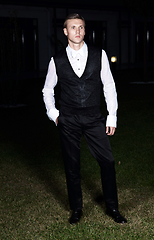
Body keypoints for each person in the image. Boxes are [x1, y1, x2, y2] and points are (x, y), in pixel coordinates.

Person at [42, 13, 127, 225]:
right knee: (72, 166)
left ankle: (113, 207)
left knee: (107, 161)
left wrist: (112, 116)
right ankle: (76, 208)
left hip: (93, 117)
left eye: (80, 27)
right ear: (65, 31)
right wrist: (54, 114)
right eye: (73, 27)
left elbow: (109, 86)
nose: (77, 31)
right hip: (68, 119)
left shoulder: (100, 55)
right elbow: (47, 90)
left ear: (84, 30)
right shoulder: (57, 60)